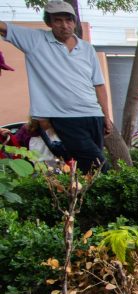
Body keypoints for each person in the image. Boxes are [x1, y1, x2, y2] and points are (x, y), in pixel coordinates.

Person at [0, 1, 112, 172]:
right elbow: (4, 28)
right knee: (99, 167)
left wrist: (106, 116)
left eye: (68, 20)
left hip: (93, 115)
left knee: (87, 171)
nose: (64, 25)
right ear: (49, 22)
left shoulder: (87, 48)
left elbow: (99, 85)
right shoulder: (35, 40)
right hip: (65, 117)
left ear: (75, 22)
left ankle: (78, 197)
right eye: (58, 20)